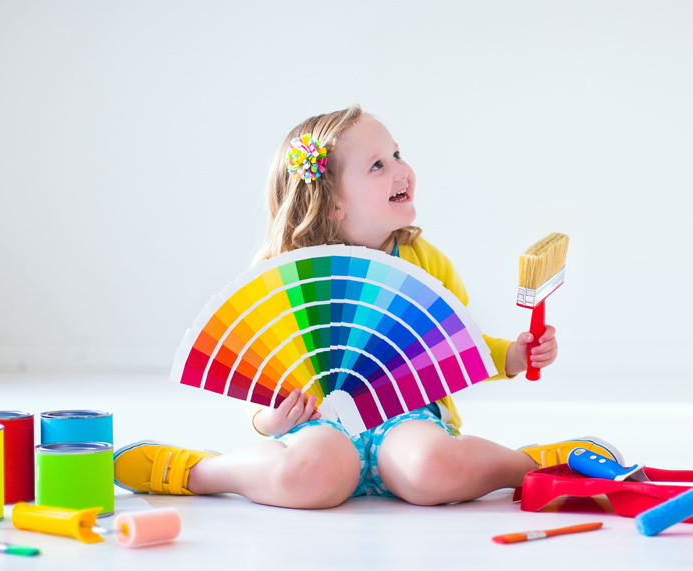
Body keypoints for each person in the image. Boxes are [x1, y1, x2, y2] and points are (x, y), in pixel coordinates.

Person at [113, 105, 618, 508]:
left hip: (410, 415)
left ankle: (536, 467)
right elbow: (263, 379)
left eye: (398, 154)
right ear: (334, 203)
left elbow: (452, 351)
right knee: (305, 477)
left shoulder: (422, 261)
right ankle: (196, 472)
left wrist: (511, 356)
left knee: (432, 471)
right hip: (321, 426)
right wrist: (273, 423)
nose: (402, 170)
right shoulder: (288, 276)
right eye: (379, 165)